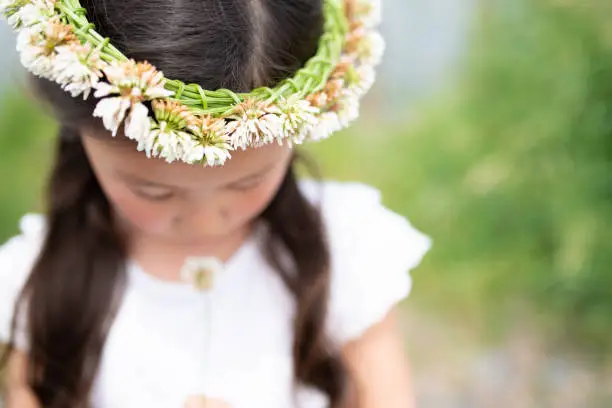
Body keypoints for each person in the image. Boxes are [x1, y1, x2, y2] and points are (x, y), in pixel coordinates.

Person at [0, 0, 431, 407]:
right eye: (155, 192)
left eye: (248, 181)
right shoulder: (39, 282)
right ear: (83, 129)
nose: (206, 220)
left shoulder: (344, 248)